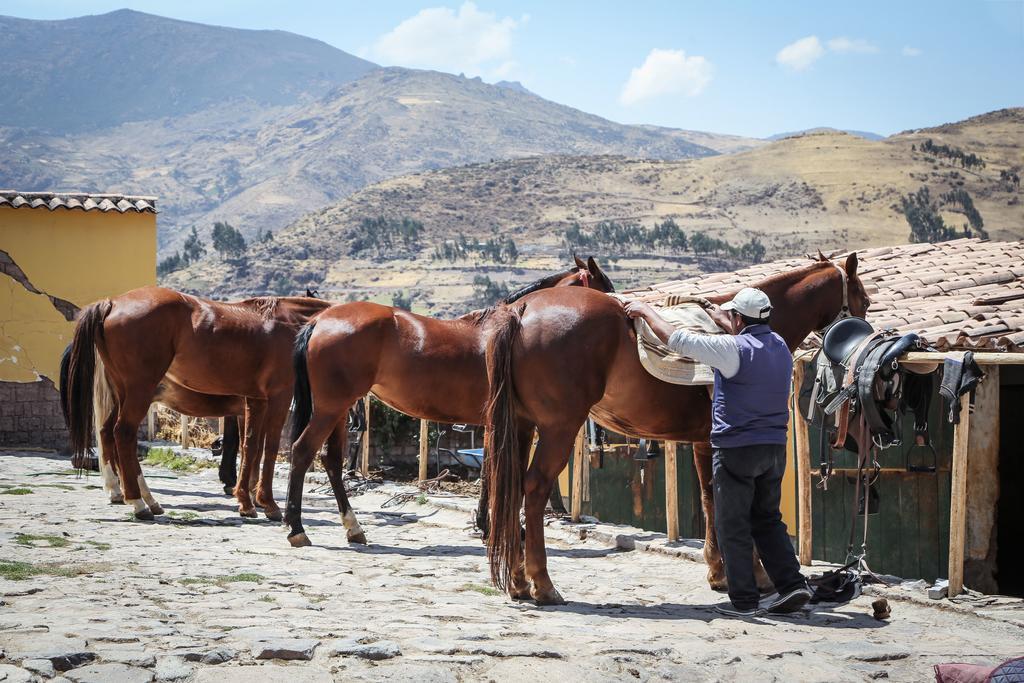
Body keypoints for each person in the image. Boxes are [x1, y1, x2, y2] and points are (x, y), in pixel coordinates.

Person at [624, 287, 811, 617]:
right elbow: (743, 331)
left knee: (732, 525)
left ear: (738, 319)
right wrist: (720, 315)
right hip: (773, 449)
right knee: (767, 519)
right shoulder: (780, 346)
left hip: (736, 448)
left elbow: (676, 338)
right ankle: (793, 584)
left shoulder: (730, 350)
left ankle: (744, 600)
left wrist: (645, 311)